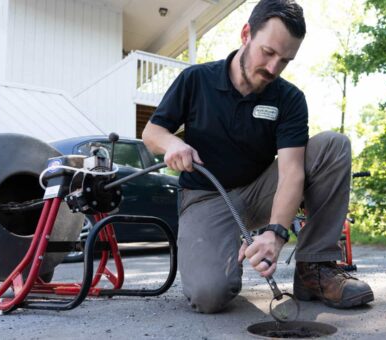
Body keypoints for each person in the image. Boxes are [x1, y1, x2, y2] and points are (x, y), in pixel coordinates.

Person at [142, 0, 373, 313]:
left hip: (261, 189)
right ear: (246, 33)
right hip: (207, 197)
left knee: (332, 145)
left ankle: (314, 269)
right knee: (209, 296)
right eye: (268, 52)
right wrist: (172, 144)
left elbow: (291, 172)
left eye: (285, 60)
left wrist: (276, 234)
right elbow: (152, 133)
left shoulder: (289, 98)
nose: (274, 68)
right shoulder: (196, 80)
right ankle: (222, 258)